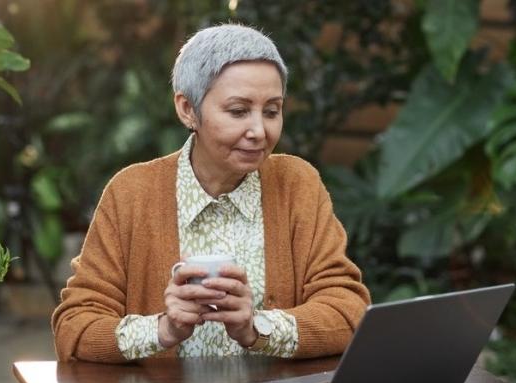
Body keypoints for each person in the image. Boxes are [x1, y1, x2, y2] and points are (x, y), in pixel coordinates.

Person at [52, 23, 370, 363]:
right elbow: (75, 326)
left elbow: (349, 311)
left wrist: (257, 328)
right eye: (238, 111)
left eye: (272, 111)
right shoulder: (131, 193)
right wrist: (164, 329)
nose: (259, 131)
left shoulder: (297, 184)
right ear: (188, 109)